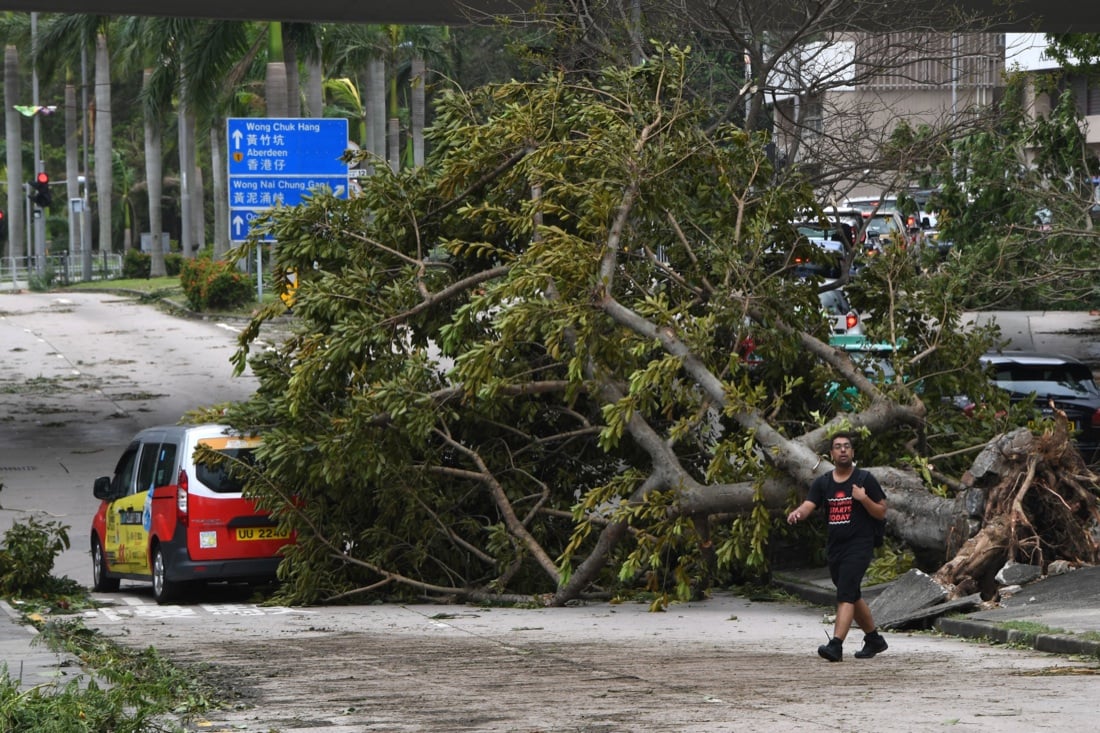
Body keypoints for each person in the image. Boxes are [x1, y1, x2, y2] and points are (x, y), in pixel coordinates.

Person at [787, 432, 889, 662]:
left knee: (845, 593)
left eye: (846, 447)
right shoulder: (823, 482)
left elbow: (882, 512)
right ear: (831, 454)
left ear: (852, 453)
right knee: (851, 592)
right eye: (837, 447)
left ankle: (835, 645)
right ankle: (874, 639)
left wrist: (863, 499)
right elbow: (808, 505)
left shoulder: (865, 479)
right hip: (835, 547)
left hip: (860, 545)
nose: (842, 450)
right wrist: (797, 514)